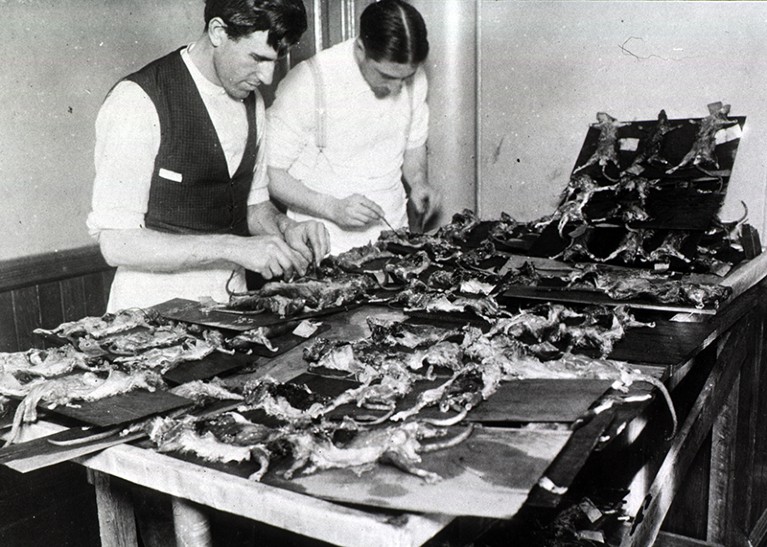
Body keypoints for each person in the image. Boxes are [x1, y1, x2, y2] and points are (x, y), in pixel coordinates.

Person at [87, 0, 329, 313]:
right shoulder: (137, 100)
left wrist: (285, 229)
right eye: (257, 57)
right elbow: (117, 244)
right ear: (217, 31)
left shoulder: (250, 100)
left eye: (276, 60)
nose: (267, 77)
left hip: (233, 305)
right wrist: (233, 247)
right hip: (151, 315)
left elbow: (253, 207)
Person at [266, 0, 440, 255]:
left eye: (405, 78)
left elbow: (413, 146)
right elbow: (270, 173)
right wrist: (332, 207)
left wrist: (418, 181)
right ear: (361, 49)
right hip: (325, 245)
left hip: (393, 238)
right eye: (386, 76)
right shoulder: (310, 81)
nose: (396, 89)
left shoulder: (413, 76)